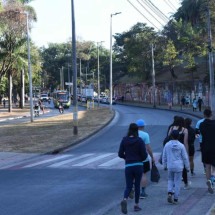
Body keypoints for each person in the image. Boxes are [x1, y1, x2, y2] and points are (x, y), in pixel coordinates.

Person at [118, 123, 147, 214]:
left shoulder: (124, 140)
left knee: (129, 186)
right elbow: (144, 155)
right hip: (138, 165)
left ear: (129, 130)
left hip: (128, 166)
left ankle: (125, 199)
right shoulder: (139, 140)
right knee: (137, 186)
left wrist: (126, 158)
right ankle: (136, 205)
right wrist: (140, 159)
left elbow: (120, 153)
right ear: (137, 130)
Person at [162, 130, 190, 204]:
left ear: (171, 136)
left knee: (170, 179)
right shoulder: (181, 145)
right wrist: (187, 167)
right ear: (178, 136)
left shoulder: (167, 145)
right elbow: (185, 157)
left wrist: (164, 165)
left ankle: (170, 192)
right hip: (179, 166)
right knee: (177, 181)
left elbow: (164, 156)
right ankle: (176, 198)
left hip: (170, 165)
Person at [168, 116, 190, 189]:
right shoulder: (185, 130)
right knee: (183, 168)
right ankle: (186, 184)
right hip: (180, 149)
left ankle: (172, 184)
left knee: (172, 165)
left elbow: (168, 137)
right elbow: (185, 142)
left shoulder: (171, 128)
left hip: (172, 149)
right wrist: (186, 152)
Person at [136, 119, 155, 199]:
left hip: (133, 157)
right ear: (143, 126)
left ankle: (134, 189)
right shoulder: (145, 135)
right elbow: (148, 148)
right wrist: (152, 156)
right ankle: (142, 192)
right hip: (144, 158)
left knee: (135, 175)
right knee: (143, 174)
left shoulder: (131, 134)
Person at [199, 108, 215, 194]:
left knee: (207, 166)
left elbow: (200, 134)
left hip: (205, 147)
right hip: (214, 147)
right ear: (211, 114)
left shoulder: (201, 125)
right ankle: (212, 179)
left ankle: (209, 181)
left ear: (204, 115)